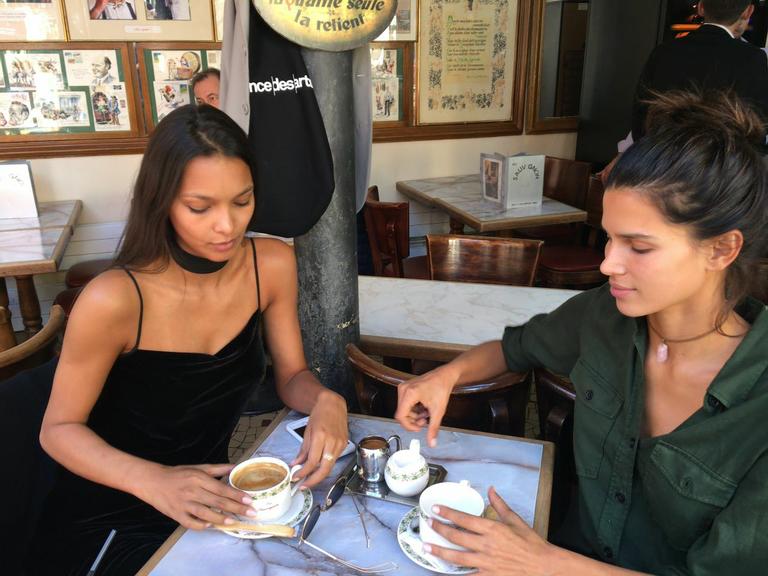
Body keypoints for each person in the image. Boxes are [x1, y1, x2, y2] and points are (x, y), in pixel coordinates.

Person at [395, 91, 768, 575]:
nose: (608, 263)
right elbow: (514, 349)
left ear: (721, 249)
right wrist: (445, 376)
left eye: (638, 246)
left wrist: (544, 563)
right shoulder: (605, 317)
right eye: (610, 237)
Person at [30, 105, 349, 575]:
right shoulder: (115, 299)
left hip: (211, 506)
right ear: (162, 202)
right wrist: (155, 481)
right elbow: (57, 431)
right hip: (111, 514)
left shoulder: (271, 264)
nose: (228, 226)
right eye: (200, 208)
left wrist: (325, 399)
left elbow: (292, 376)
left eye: (242, 201)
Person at [631, 0, 768, 141]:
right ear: (748, 12)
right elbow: (759, 127)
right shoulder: (753, 58)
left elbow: (640, 117)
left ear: (701, 8)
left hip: (662, 155)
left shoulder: (663, 51)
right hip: (723, 159)